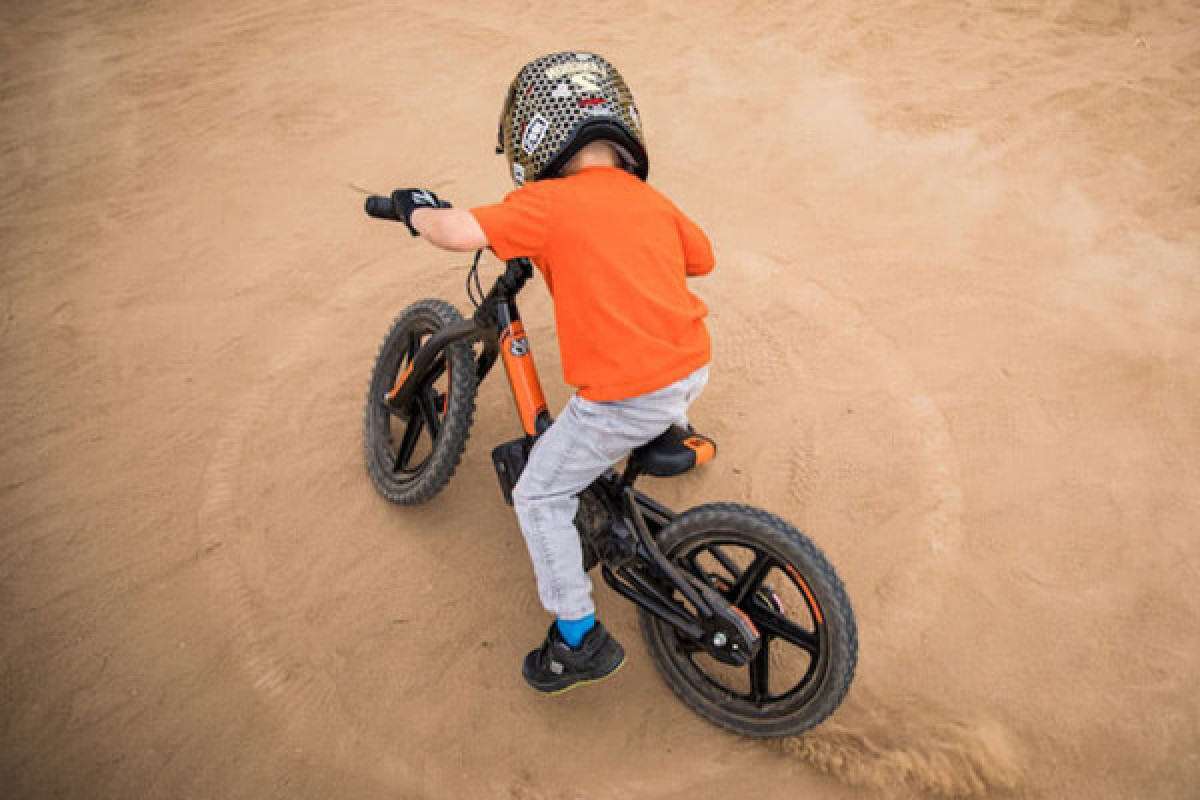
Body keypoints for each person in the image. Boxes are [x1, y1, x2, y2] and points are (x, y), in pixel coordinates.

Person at [384, 52, 715, 693]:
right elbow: (702, 257)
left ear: (536, 132)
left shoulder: (546, 202)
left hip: (627, 397)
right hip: (689, 371)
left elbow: (458, 233)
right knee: (653, 387)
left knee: (538, 495)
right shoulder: (652, 199)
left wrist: (417, 210)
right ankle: (667, 429)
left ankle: (576, 638)